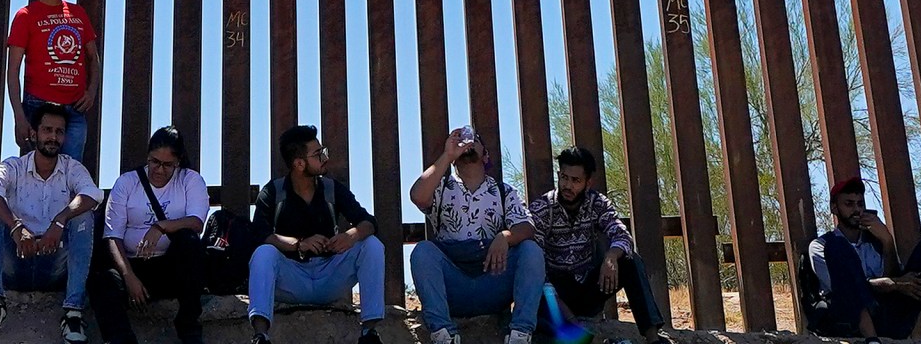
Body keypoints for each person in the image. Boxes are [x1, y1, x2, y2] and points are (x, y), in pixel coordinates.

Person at [0, 101, 103, 340]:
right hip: (15, 263)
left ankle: (73, 313)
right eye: (47, 130)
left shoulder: (72, 168)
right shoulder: (13, 166)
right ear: (34, 134)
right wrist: (15, 226)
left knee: (83, 214)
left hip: (55, 266)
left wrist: (60, 221)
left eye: (59, 132)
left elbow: (93, 194)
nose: (53, 137)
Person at [245, 125, 386, 344]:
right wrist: (299, 244)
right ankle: (260, 336)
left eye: (324, 152)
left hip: (329, 276)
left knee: (372, 245)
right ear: (299, 164)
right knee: (264, 253)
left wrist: (351, 235)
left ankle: (369, 333)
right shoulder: (273, 192)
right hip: (292, 280)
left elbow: (368, 222)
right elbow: (260, 235)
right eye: (318, 154)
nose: (325, 158)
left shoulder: (332, 188)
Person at [407, 126, 542, 344]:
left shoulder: (503, 191)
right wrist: (448, 154)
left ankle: (520, 334)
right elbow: (417, 196)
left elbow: (527, 227)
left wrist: (505, 237)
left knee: (531, 250)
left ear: (485, 154)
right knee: (422, 251)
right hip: (454, 286)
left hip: (493, 281)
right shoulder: (440, 189)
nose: (467, 144)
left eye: (474, 140)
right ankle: (443, 334)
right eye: (461, 141)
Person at [530, 145, 663, 341]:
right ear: (559, 175)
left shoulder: (597, 203)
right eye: (564, 178)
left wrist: (611, 257)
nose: (568, 186)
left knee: (630, 260)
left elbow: (622, 235)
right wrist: (569, 316)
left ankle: (653, 337)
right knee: (538, 290)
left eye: (576, 181)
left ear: (588, 182)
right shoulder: (542, 209)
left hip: (587, 285)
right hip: (555, 293)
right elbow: (536, 265)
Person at [92, 126, 211, 344]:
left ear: (178, 162)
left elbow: (196, 222)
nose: (159, 170)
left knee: (189, 243)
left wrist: (161, 226)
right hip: (131, 265)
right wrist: (129, 277)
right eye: (154, 162)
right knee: (102, 280)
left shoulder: (190, 180)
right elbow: (112, 236)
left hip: (168, 266)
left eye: (167, 165)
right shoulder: (127, 183)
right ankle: (121, 339)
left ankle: (189, 323)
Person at [805, 178, 921, 342]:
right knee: (840, 248)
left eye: (860, 204)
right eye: (849, 204)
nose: (857, 210)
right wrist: (895, 284)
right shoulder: (823, 246)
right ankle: (872, 339)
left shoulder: (875, 242)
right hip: (849, 320)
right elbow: (842, 287)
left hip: (887, 316)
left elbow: (893, 275)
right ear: (834, 208)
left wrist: (887, 241)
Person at [7, 0, 100, 161]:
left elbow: (94, 58)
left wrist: (92, 91)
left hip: (75, 110)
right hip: (37, 108)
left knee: (70, 172)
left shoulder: (78, 14)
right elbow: (13, 70)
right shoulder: (26, 16)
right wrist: (19, 117)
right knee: (35, 174)